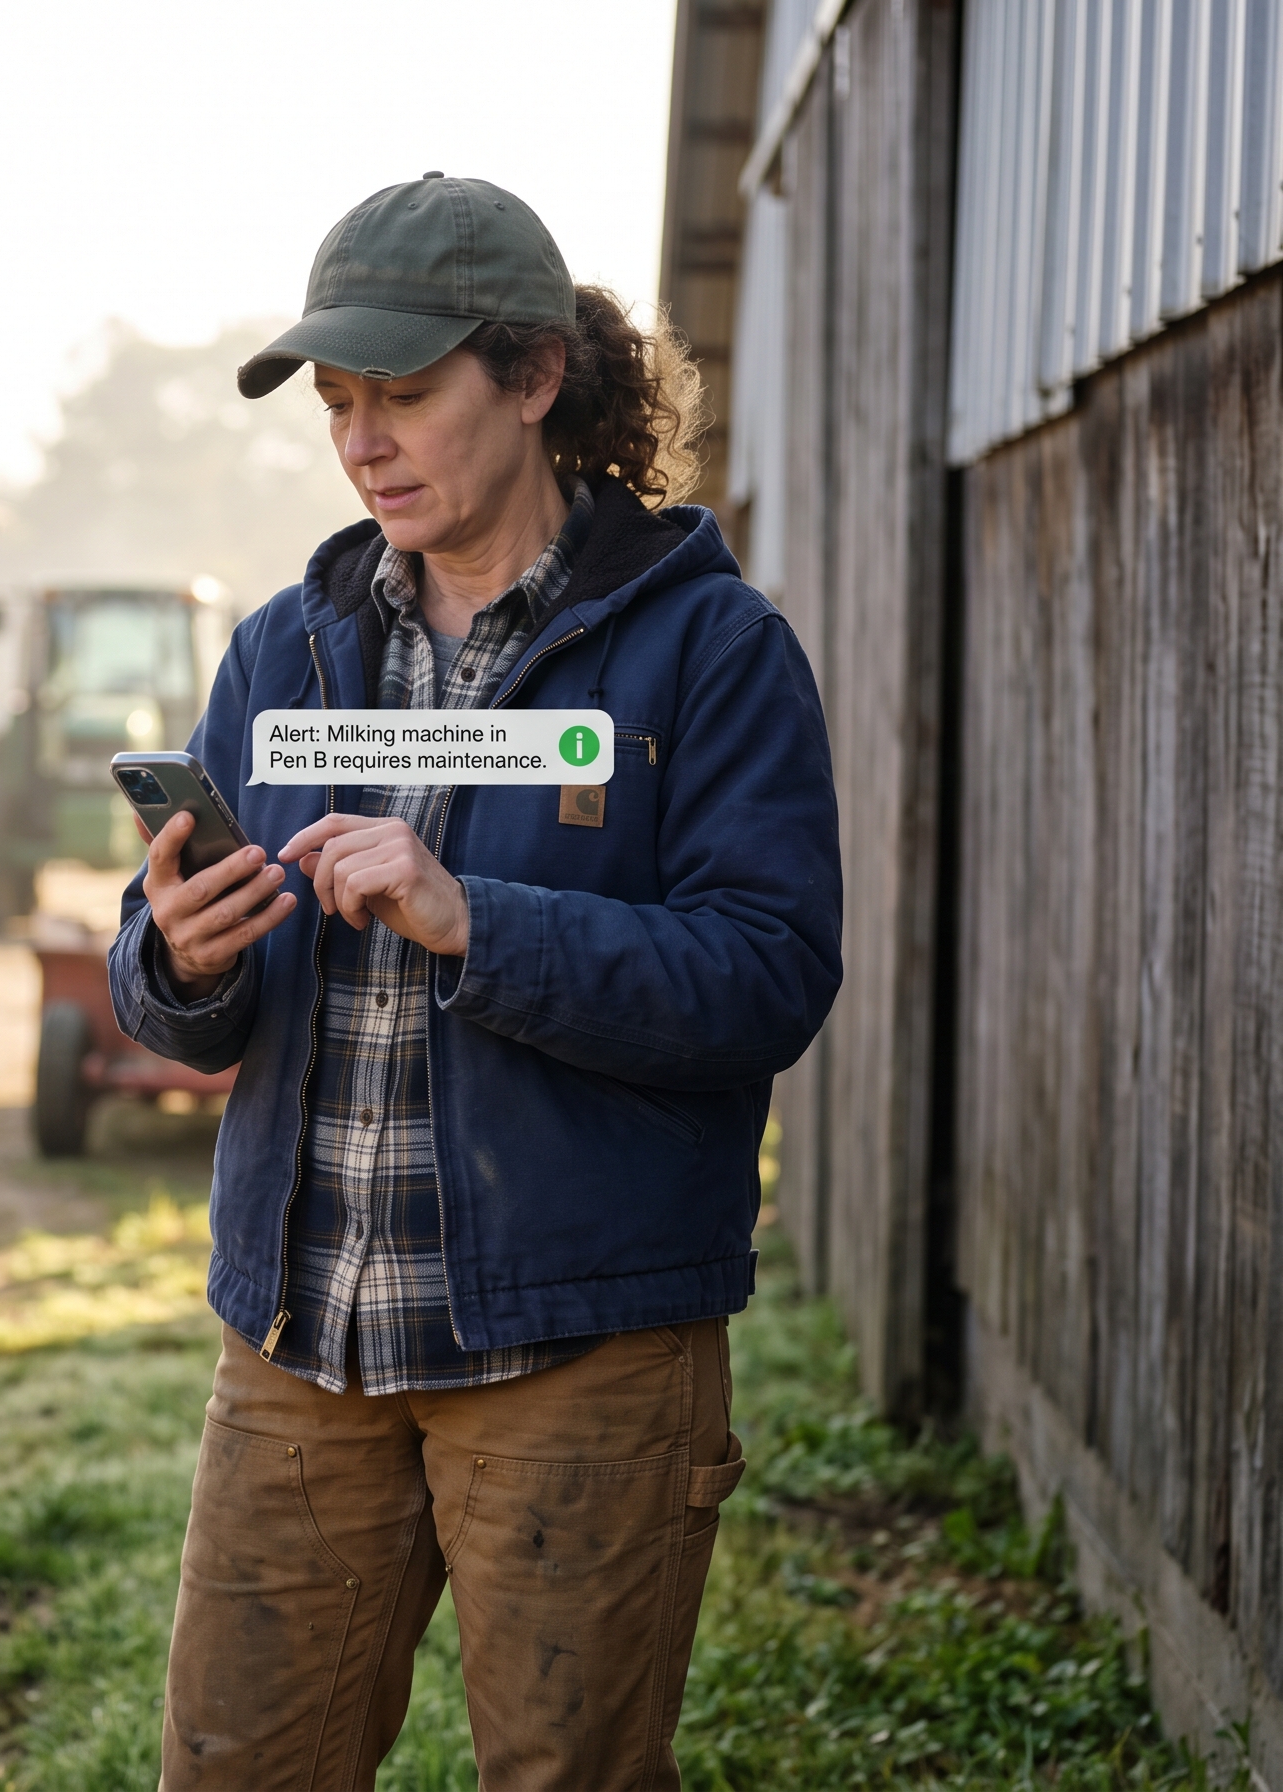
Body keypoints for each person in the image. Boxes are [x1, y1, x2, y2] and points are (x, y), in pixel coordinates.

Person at [110, 174, 843, 1790]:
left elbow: (769, 977)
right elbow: (173, 986)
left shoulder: (707, 653)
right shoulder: (280, 656)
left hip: (578, 1356)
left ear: (533, 378)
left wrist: (473, 919)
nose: (363, 441)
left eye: (406, 394)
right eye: (338, 403)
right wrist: (172, 956)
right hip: (304, 1345)